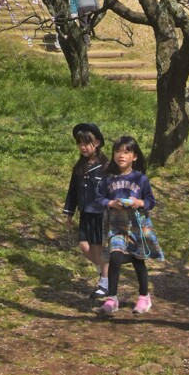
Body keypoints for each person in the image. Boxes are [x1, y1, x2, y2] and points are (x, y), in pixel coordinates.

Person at [94, 135, 164, 316]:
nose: (121, 155)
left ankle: (144, 297)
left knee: (138, 260)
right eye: (117, 151)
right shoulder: (107, 179)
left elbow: (151, 201)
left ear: (134, 156)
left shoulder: (140, 179)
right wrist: (110, 204)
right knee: (115, 257)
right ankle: (112, 299)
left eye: (126, 152)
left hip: (136, 225)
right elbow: (99, 198)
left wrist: (139, 203)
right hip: (115, 226)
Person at [63, 122, 109, 298]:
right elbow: (72, 191)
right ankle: (106, 271)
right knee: (84, 246)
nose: (83, 147)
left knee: (98, 247)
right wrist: (69, 212)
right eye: (79, 143)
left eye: (86, 143)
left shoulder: (105, 167)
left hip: (100, 214)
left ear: (96, 143)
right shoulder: (79, 168)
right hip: (85, 213)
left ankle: (105, 281)